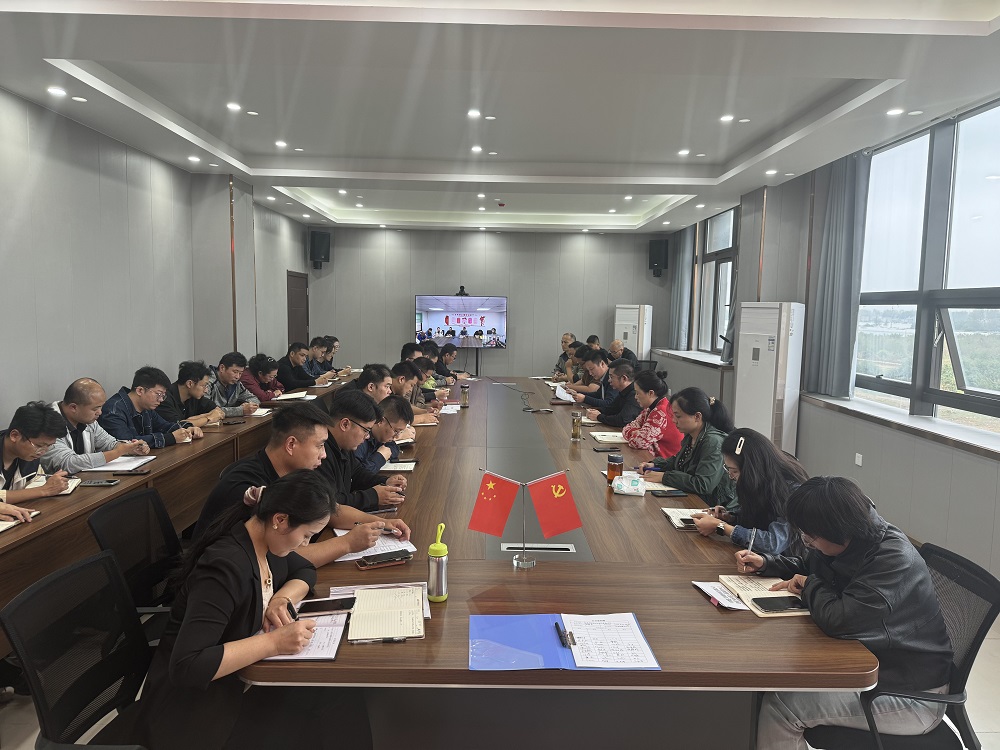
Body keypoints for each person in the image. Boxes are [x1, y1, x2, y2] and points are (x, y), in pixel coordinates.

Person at [134, 471, 374, 750]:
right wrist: (274, 642)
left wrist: (281, 599)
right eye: (307, 535)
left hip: (238, 683)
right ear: (280, 520)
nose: (305, 544)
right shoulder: (224, 569)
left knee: (340, 694)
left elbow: (305, 570)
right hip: (195, 713)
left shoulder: (266, 544)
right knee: (332, 707)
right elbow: (188, 666)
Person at [739, 477, 953, 750]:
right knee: (777, 684)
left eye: (810, 537)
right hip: (881, 669)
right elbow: (810, 566)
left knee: (782, 704)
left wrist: (809, 584)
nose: (807, 542)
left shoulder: (892, 559)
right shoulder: (849, 539)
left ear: (836, 530)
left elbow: (838, 619)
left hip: (911, 696)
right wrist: (768, 563)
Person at [192, 401, 408, 554]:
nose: (324, 454)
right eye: (320, 446)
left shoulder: (297, 473)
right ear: (291, 444)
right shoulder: (247, 486)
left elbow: (331, 509)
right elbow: (279, 558)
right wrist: (347, 544)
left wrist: (383, 524)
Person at [690, 427, 809, 554]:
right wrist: (730, 517)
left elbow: (772, 543)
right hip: (756, 557)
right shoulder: (762, 481)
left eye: (734, 471)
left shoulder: (793, 489)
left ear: (752, 468)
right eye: (728, 469)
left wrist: (721, 527)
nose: (731, 476)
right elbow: (759, 518)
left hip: (785, 562)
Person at [640, 387, 736, 511]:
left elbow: (703, 485)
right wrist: (654, 464)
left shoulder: (713, 442)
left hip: (712, 506)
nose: (673, 421)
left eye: (678, 416)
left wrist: (665, 477)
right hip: (692, 498)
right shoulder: (692, 435)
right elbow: (679, 461)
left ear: (697, 416)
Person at [317, 391, 407, 513]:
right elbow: (331, 503)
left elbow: (357, 473)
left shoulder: (343, 445)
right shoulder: (320, 453)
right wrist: (373, 497)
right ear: (345, 424)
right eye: (366, 430)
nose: (368, 436)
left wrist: (385, 481)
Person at [43, 378, 150, 474]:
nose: (100, 412)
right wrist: (118, 451)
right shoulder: (48, 424)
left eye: (101, 407)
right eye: (95, 408)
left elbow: (109, 443)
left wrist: (131, 448)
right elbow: (68, 463)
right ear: (73, 407)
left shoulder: (88, 420)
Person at [99, 366, 199, 447]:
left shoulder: (146, 408)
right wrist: (171, 438)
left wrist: (188, 428)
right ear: (140, 391)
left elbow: (165, 426)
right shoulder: (113, 409)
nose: (161, 400)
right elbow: (127, 442)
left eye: (163, 396)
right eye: (158, 394)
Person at [0, 402, 70, 505]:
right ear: (15, 436)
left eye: (49, 446)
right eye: (39, 445)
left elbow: (36, 482)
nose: (42, 452)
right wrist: (44, 490)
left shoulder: (30, 457)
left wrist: (52, 483)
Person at [621, 370, 683, 459]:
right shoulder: (651, 408)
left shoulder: (661, 412)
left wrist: (637, 433)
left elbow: (638, 442)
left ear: (650, 393)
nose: (635, 397)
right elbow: (626, 428)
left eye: (638, 393)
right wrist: (636, 432)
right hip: (653, 458)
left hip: (666, 462)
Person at [354, 395, 415, 473]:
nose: (397, 436)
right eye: (396, 431)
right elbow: (358, 474)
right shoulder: (360, 439)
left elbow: (394, 447)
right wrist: (380, 457)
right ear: (381, 421)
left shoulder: (381, 436)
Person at [157, 361, 226, 428]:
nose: (206, 390)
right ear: (190, 384)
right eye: (204, 386)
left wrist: (197, 419)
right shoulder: (164, 399)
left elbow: (218, 412)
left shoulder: (195, 396)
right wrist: (208, 418)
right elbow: (178, 426)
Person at [206, 352, 260, 417]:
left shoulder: (236, 383)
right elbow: (207, 410)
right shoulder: (207, 382)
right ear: (222, 368)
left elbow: (254, 398)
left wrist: (249, 405)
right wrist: (240, 410)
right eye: (235, 372)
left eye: (240, 373)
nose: (237, 377)